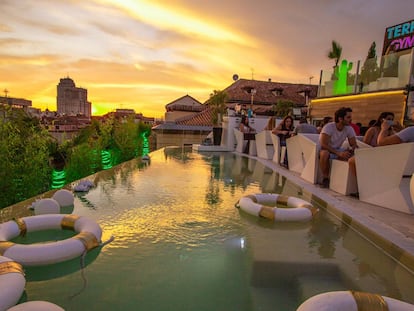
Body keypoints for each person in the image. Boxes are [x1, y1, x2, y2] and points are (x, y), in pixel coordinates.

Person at [319, 107, 357, 188]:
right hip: (326, 149)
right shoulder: (329, 127)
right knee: (324, 154)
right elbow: (323, 144)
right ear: (340, 119)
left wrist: (351, 150)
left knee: (352, 155)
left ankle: (344, 182)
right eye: (348, 117)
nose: (351, 119)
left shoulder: (349, 128)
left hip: (338, 150)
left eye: (351, 117)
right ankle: (325, 178)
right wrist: (339, 153)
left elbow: (353, 144)